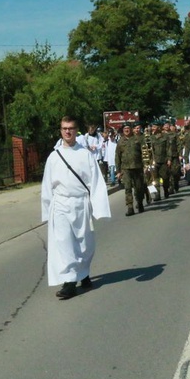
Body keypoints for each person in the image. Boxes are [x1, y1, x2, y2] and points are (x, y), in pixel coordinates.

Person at [41, 116, 111, 300]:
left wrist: (99, 208)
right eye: (64, 128)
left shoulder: (85, 154)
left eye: (71, 128)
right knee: (64, 242)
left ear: (76, 130)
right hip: (61, 204)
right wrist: (47, 210)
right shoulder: (54, 157)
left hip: (81, 204)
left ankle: (84, 273)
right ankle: (69, 282)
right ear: (60, 130)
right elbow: (47, 186)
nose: (67, 131)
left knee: (84, 242)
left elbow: (95, 182)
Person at [116, 122, 145, 216]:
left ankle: (140, 203)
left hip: (137, 167)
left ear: (131, 129)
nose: (126, 130)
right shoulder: (120, 142)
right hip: (126, 169)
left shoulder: (137, 139)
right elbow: (117, 157)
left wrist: (146, 166)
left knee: (139, 187)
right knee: (128, 188)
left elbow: (144, 153)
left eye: (128, 128)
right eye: (125, 129)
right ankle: (130, 207)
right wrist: (118, 171)